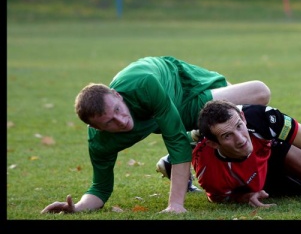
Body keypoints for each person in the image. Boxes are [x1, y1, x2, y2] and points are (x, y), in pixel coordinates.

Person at [40, 56, 271, 215]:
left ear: (117, 95)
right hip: (168, 112)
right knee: (204, 134)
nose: (122, 121)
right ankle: (192, 149)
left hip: (183, 89)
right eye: (110, 121)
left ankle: (190, 148)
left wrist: (175, 204)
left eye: (118, 110)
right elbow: (100, 189)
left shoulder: (143, 85)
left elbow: (176, 141)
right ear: (97, 129)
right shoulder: (100, 143)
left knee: (258, 95)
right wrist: (78, 207)